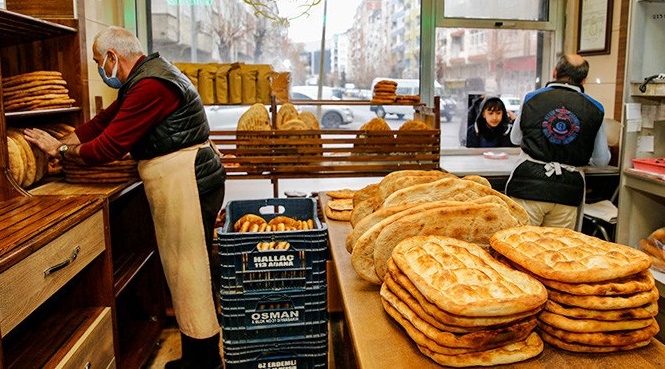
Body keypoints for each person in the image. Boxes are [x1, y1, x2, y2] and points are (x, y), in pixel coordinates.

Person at [24, 26, 225, 369]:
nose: (101, 69)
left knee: (190, 272)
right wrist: (71, 136)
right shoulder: (146, 78)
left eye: (99, 62)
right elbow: (107, 120)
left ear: (113, 58)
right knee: (182, 271)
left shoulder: (151, 86)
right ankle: (197, 356)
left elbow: (111, 145)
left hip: (187, 180)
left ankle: (204, 362)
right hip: (183, 179)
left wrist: (59, 148)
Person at [505, 54, 611, 229]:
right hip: (567, 193)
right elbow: (601, 160)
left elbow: (515, 138)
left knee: (519, 245)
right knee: (555, 250)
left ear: (555, 72)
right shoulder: (596, 108)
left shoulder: (532, 98)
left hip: (528, 186)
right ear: (584, 79)